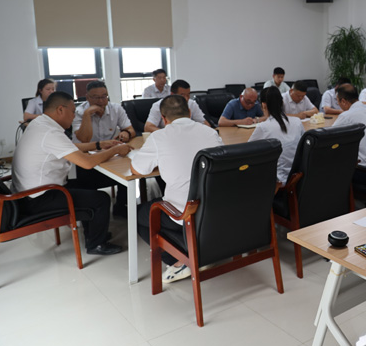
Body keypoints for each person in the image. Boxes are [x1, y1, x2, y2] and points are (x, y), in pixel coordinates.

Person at [12, 91, 130, 255]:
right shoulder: (50, 132)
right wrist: (115, 150)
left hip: (27, 192)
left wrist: (99, 145)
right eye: (73, 111)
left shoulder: (40, 124)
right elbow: (87, 163)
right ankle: (96, 244)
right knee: (101, 199)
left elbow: (68, 147)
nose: (74, 116)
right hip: (38, 198)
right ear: (60, 109)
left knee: (85, 182)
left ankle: (93, 233)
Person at [133, 94, 223, 283]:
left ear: (164, 118)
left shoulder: (159, 137)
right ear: (189, 112)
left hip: (184, 212)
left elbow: (137, 169)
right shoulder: (210, 133)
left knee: (139, 215)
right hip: (213, 209)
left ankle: (179, 262)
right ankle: (197, 250)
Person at [73, 80, 136, 216]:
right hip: (88, 158)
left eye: (104, 96)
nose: (101, 101)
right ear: (87, 97)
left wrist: (126, 133)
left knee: (128, 170)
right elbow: (84, 139)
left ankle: (121, 207)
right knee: (86, 175)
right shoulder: (79, 112)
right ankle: (92, 213)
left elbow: (131, 129)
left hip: (111, 155)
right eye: (96, 97)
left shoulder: (116, 109)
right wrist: (87, 115)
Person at [249, 86, 305, 184]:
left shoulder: (263, 127)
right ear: (282, 102)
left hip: (278, 181)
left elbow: (248, 152)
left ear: (263, 105)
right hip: (298, 177)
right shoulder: (297, 122)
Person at [332, 84, 366, 167]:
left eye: (338, 102)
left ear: (343, 101)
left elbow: (329, 137)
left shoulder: (346, 116)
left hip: (361, 166)